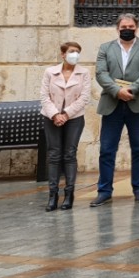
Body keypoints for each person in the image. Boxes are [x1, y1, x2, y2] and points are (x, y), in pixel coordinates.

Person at [91, 14, 139, 206]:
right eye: (123, 26)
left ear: (137, 27)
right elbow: (101, 73)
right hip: (112, 103)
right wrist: (117, 91)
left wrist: (131, 89)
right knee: (106, 149)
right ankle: (104, 190)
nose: (127, 29)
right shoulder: (106, 48)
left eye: (130, 26)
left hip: (138, 102)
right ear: (117, 28)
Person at [40, 41, 91, 211]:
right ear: (63, 54)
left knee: (70, 154)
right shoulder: (50, 72)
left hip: (74, 117)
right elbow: (44, 96)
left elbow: (84, 98)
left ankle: (69, 194)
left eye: (77, 51)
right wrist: (55, 114)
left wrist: (66, 114)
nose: (74, 54)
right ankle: (53, 195)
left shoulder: (84, 73)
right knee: (54, 154)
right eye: (71, 51)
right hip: (51, 117)